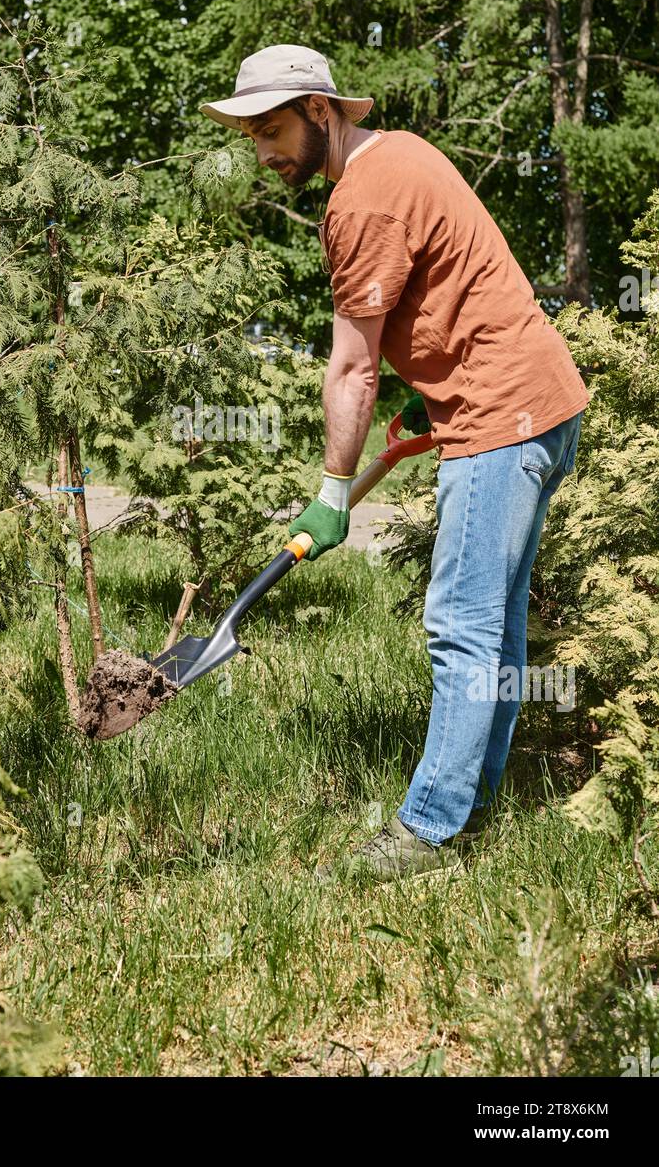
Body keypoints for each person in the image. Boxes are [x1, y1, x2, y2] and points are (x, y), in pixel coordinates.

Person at [200, 44, 590, 881]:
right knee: (499, 625)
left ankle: (430, 833)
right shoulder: (406, 153)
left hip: (501, 422)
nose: (263, 154)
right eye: (250, 138)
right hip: (544, 405)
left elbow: (351, 367)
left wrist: (333, 490)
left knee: (461, 625)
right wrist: (432, 386)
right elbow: (458, 284)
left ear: (318, 111)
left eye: (271, 129)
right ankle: (475, 810)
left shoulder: (360, 203)